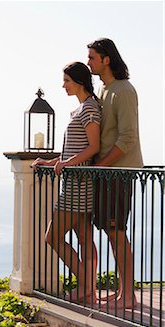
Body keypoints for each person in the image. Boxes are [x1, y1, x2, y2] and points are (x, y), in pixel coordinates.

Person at [32, 62, 100, 304]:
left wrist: (67, 163)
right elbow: (75, 150)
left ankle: (87, 286)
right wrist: (50, 161)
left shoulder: (90, 109)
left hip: (79, 185)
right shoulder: (82, 109)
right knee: (83, 237)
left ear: (80, 82)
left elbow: (94, 147)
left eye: (67, 81)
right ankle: (88, 288)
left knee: (53, 237)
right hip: (75, 180)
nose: (63, 85)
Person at [87, 38, 143, 309]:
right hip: (108, 175)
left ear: (106, 59)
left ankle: (129, 295)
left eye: (92, 57)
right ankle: (123, 291)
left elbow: (127, 138)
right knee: (112, 232)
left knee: (117, 232)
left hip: (118, 174)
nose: (89, 63)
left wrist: (101, 166)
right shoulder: (104, 89)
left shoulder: (124, 90)